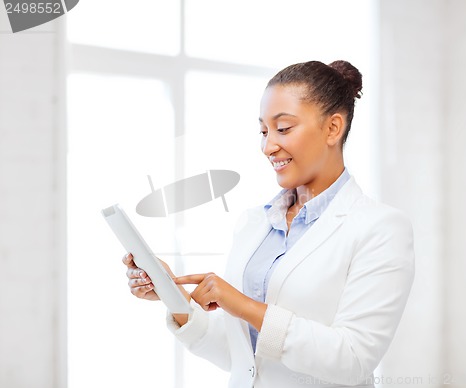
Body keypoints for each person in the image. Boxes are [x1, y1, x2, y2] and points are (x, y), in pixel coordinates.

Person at [123, 59, 415, 388]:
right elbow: (245, 359)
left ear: (333, 128)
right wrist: (174, 297)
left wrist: (244, 305)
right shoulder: (254, 224)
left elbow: (353, 359)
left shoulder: (381, 229)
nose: (268, 146)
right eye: (263, 131)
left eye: (284, 128)